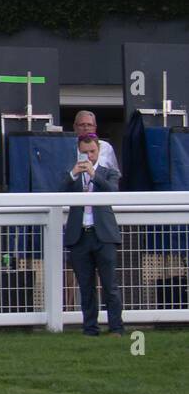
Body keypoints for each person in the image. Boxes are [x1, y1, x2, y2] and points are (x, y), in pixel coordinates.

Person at [64, 135, 123, 337]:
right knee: (86, 287)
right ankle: (90, 329)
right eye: (84, 152)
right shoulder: (72, 174)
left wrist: (94, 174)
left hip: (104, 236)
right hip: (79, 236)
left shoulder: (109, 173)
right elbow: (57, 189)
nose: (88, 156)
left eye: (92, 152)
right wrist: (73, 174)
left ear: (98, 152)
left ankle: (116, 328)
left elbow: (113, 191)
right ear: (78, 152)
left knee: (110, 286)